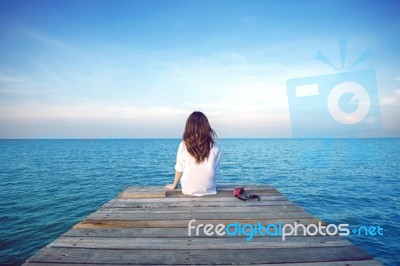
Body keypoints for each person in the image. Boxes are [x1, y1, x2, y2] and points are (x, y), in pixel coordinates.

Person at [164, 111, 220, 196]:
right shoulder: (214, 146)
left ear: (189, 127)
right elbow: (215, 171)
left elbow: (180, 168)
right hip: (209, 189)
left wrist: (174, 185)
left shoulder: (184, 145)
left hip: (188, 189)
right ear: (206, 126)